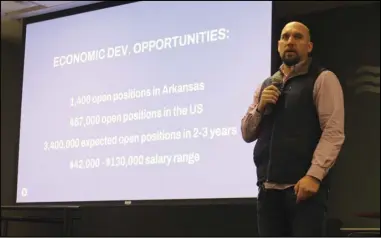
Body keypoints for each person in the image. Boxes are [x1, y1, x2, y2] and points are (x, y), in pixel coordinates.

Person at [241, 21, 345, 236]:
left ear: (309, 46)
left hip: (302, 191)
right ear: (279, 45)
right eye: (285, 37)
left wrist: (314, 176)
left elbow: (333, 132)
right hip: (268, 191)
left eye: (298, 37)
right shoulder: (266, 84)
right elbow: (247, 134)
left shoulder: (323, 78)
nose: (290, 41)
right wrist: (260, 108)